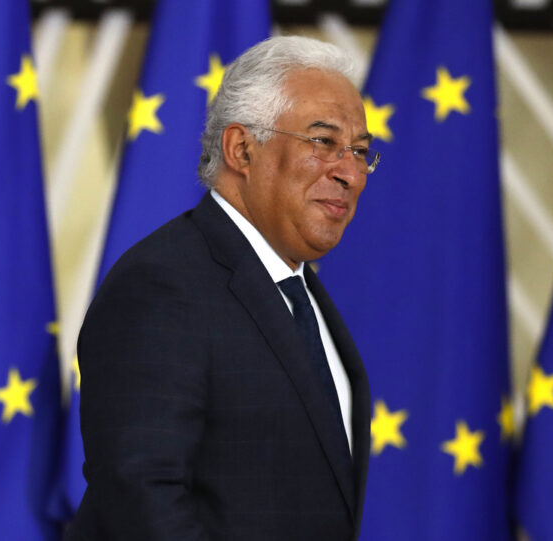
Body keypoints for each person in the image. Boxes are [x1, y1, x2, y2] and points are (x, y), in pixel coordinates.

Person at [65, 36, 380, 541]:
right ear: (241, 149)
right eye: (323, 142)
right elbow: (141, 497)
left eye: (360, 152)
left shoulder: (296, 292)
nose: (350, 173)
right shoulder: (162, 285)